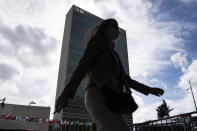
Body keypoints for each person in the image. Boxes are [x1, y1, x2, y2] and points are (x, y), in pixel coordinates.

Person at [54, 18, 164, 131]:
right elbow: (82, 66)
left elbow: (126, 79)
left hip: (111, 97)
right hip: (98, 94)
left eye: (118, 28)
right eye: (113, 26)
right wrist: (66, 94)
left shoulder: (115, 54)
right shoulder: (97, 41)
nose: (117, 30)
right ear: (104, 29)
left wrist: (149, 89)